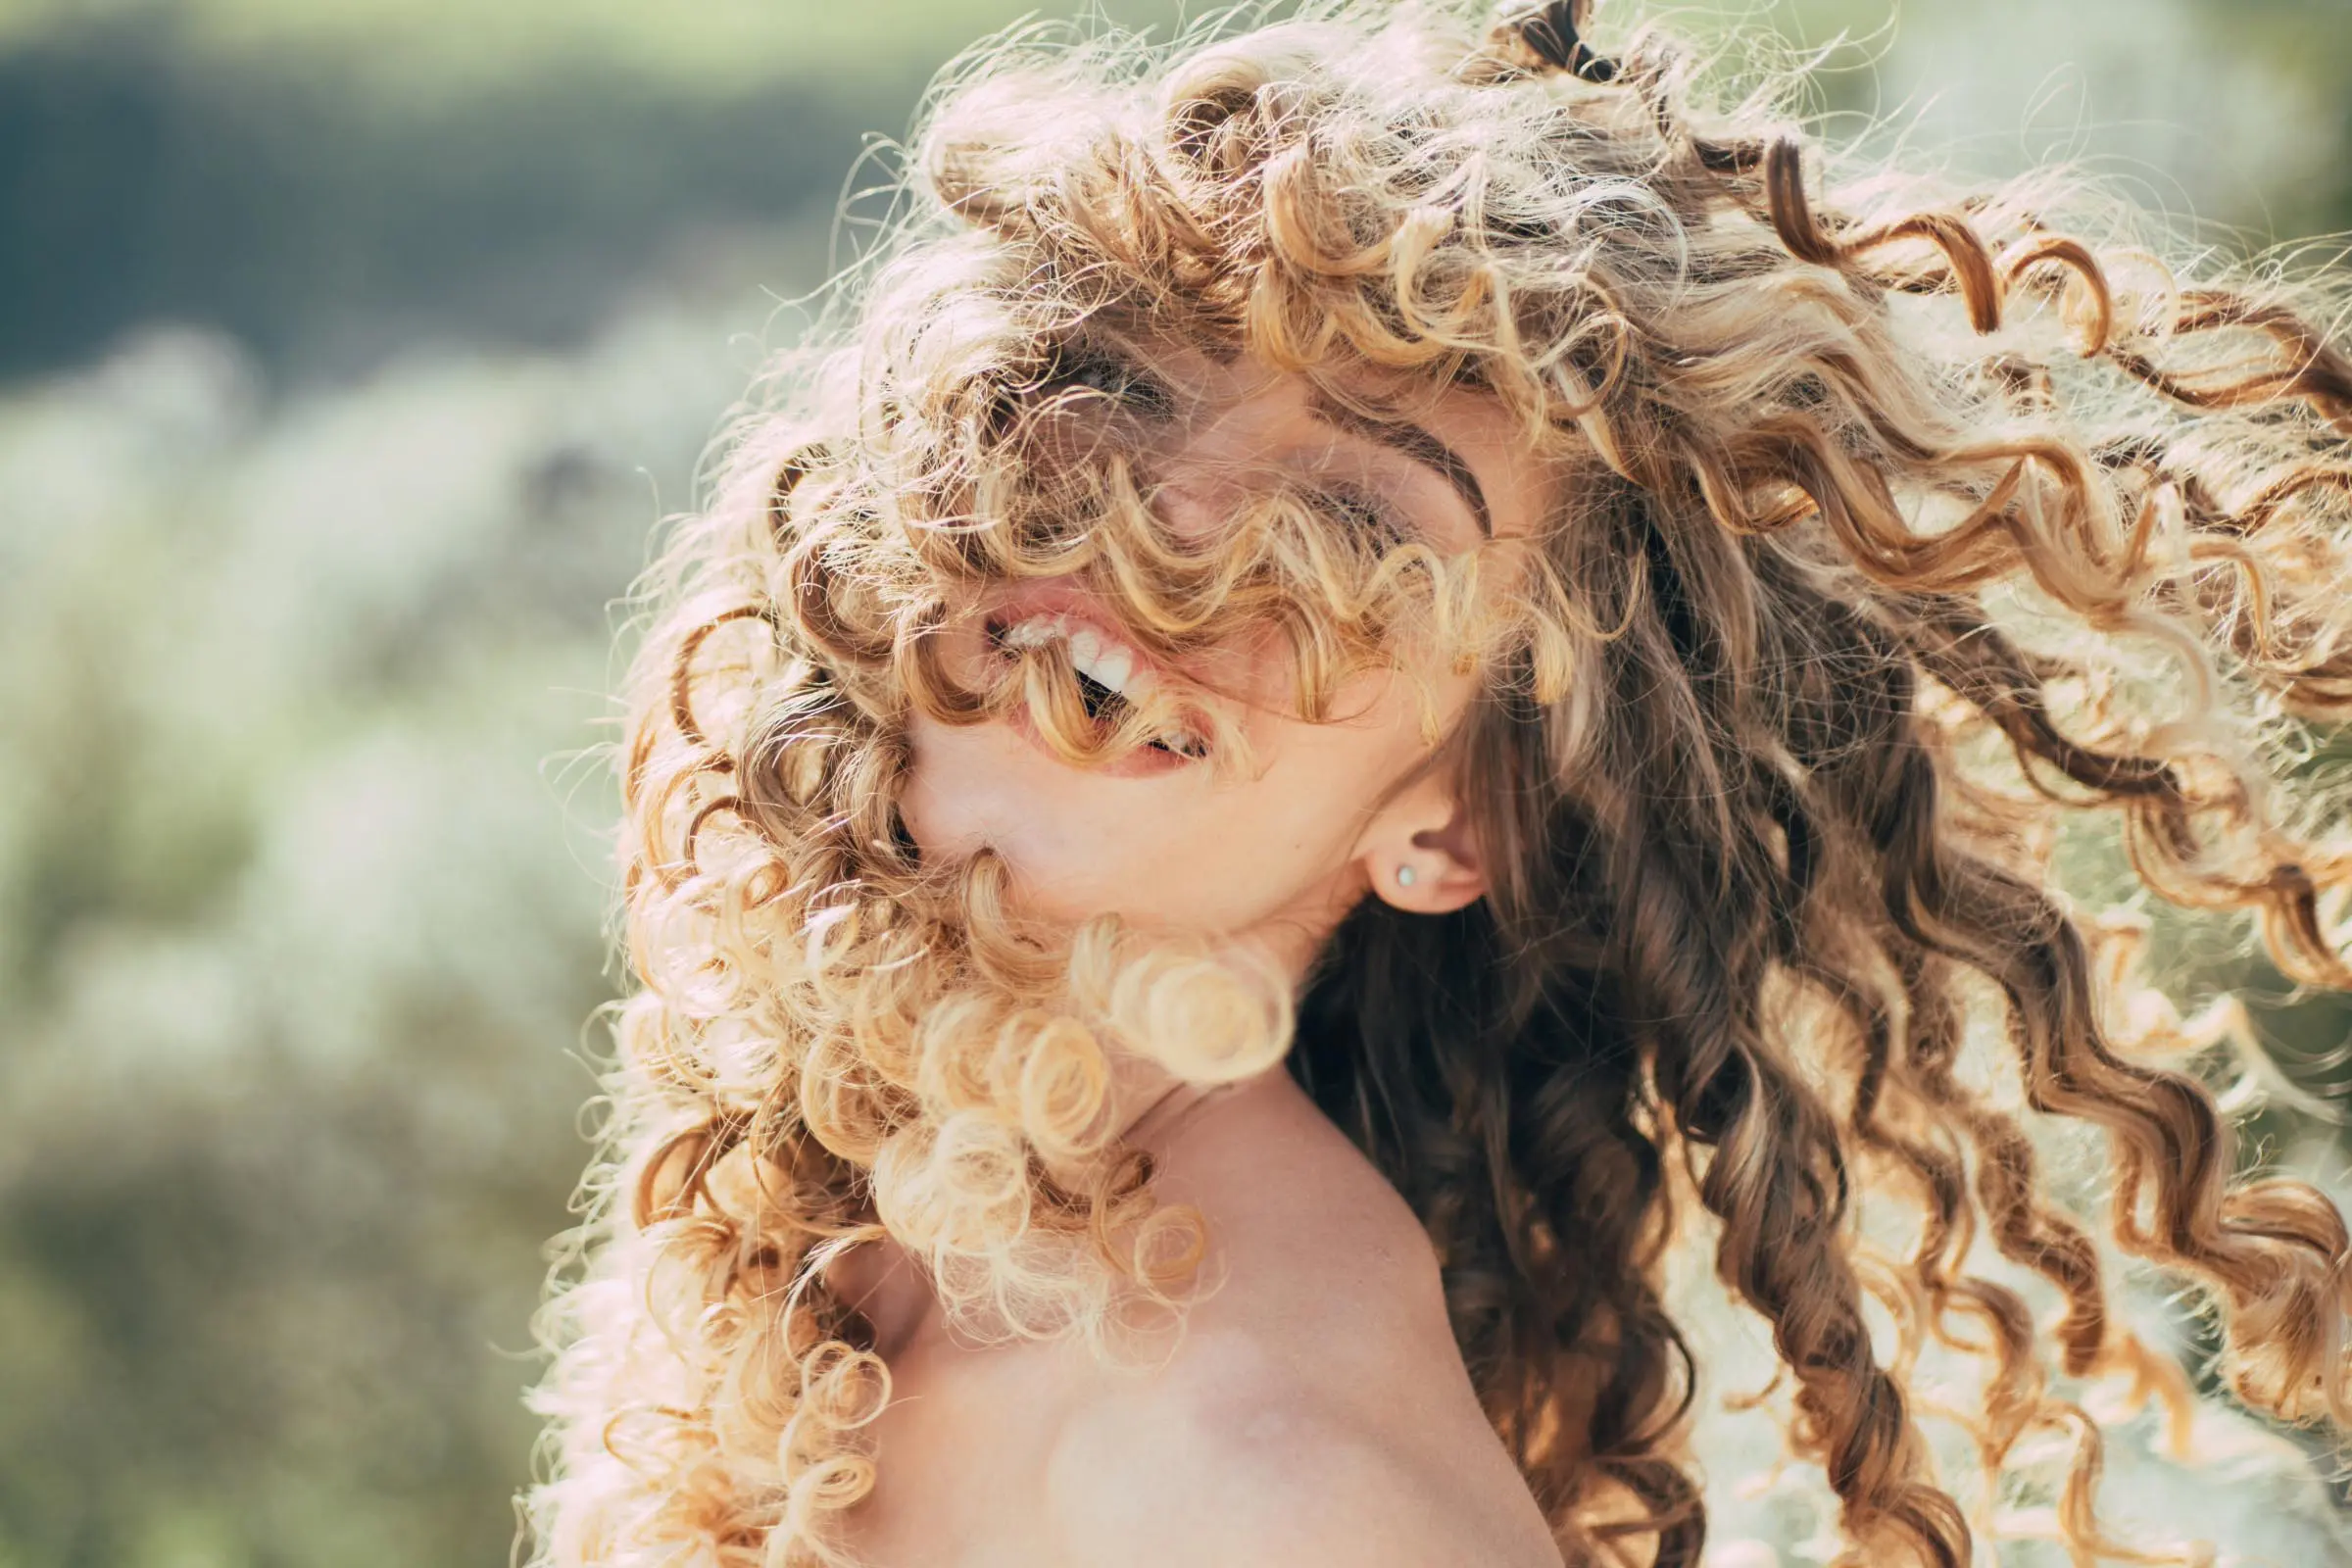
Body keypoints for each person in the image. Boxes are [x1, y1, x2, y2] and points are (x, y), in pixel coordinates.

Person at [521, 1, 2352, 1563]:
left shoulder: (1274, 1475)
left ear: (1455, 822)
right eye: (1119, 390)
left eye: (1353, 527)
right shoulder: (847, 1205)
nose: (1172, 518)